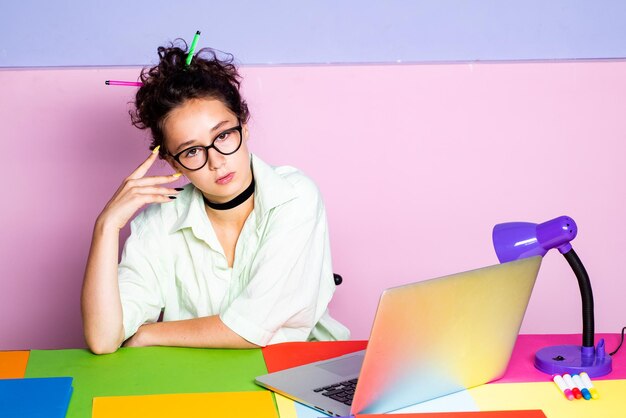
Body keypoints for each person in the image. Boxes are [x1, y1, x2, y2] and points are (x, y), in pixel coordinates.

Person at [81, 41, 349, 354]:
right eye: (192, 150)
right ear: (171, 161)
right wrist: (106, 226)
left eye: (223, 135)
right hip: (202, 379)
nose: (216, 160)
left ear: (244, 127)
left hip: (301, 369)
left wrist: (150, 334)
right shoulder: (159, 221)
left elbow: (253, 329)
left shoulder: (294, 196)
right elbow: (102, 339)